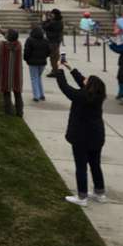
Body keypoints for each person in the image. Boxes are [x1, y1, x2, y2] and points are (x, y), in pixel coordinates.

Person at [52, 58, 107, 206]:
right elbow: (82, 81)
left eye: (87, 79)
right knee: (95, 164)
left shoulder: (81, 96)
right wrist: (71, 68)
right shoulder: (97, 95)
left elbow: (65, 87)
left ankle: (82, 197)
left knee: (81, 166)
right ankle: (99, 192)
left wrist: (59, 70)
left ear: (89, 86)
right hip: (97, 136)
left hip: (82, 138)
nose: (84, 79)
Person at [0, 27, 24, 117]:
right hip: (16, 74)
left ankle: (8, 111)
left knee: (6, 93)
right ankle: (19, 112)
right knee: (17, 93)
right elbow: (8, 38)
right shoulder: (19, 45)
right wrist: (0, 30)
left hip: (6, 73)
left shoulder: (3, 45)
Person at [23, 27, 49, 102]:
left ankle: (36, 96)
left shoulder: (30, 40)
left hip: (32, 62)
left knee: (34, 78)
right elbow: (48, 51)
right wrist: (44, 57)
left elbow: (27, 51)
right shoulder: (45, 40)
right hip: (42, 62)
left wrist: (26, 59)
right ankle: (41, 94)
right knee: (38, 77)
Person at [42, 9, 64, 76]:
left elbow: (45, 27)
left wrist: (44, 20)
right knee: (55, 56)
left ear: (55, 14)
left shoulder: (54, 22)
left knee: (53, 57)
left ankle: (55, 71)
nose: (51, 15)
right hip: (56, 41)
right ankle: (55, 69)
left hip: (53, 41)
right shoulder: (59, 21)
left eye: (52, 14)